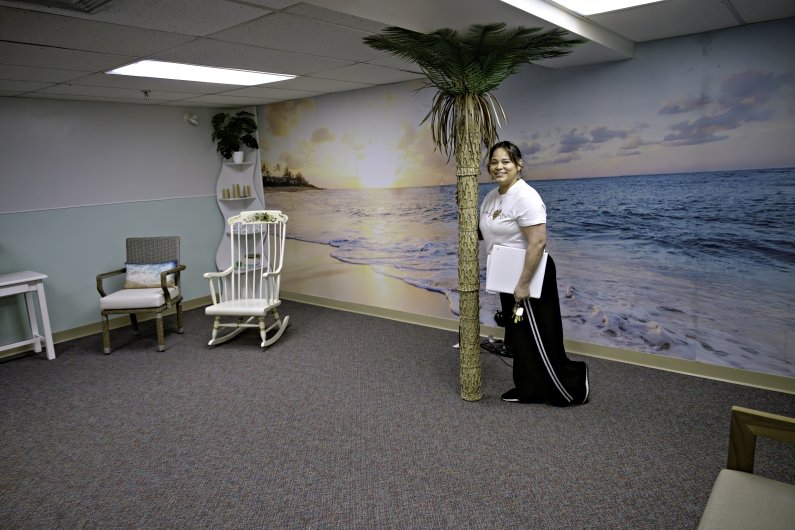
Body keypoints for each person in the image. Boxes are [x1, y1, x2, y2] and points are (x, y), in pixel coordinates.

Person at [479, 141, 589, 406]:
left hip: (530, 274)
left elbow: (538, 242)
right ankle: (527, 387)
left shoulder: (526, 196)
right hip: (506, 272)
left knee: (541, 336)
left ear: (519, 165)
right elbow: (487, 231)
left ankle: (571, 387)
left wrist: (524, 283)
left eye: (505, 161)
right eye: (494, 162)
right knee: (518, 336)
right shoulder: (492, 196)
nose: (499, 166)